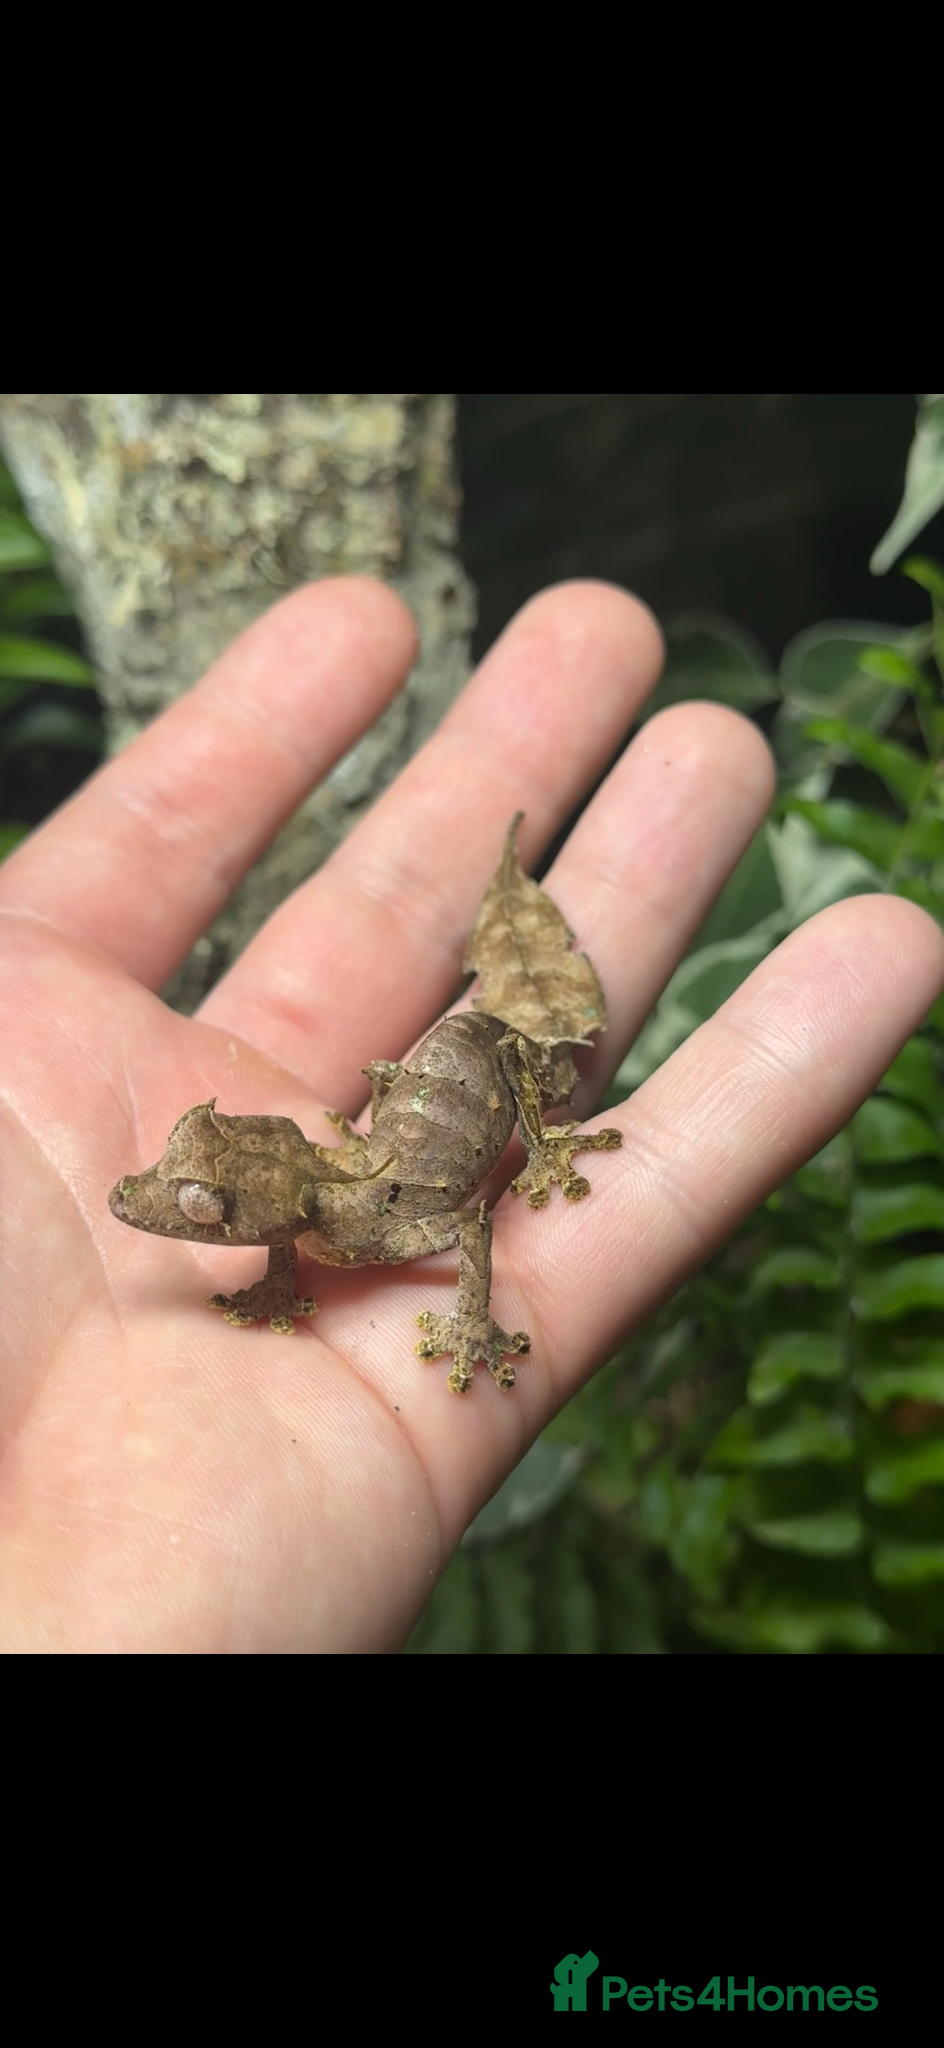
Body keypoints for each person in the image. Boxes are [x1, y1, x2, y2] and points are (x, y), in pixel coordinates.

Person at [0, 578, 940, 1653]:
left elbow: (465, 1223)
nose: (162, 1209)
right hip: (412, 1095)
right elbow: (285, 1224)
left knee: (513, 1053)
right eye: (195, 1190)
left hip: (490, 1063)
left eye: (199, 1201)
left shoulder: (371, 1225)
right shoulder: (304, 1220)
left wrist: (482, 1298)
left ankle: (527, 1042)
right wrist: (273, 1274)